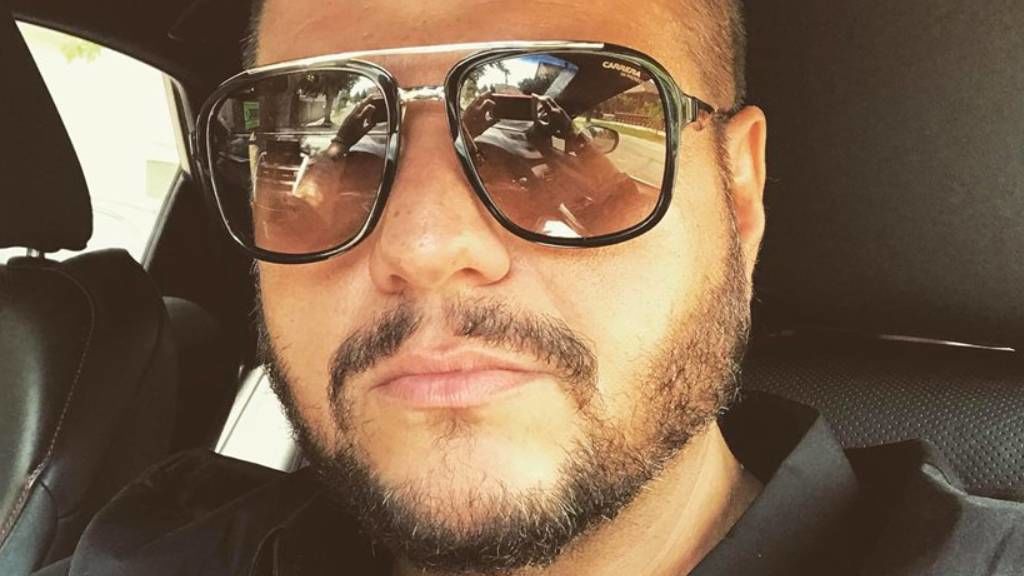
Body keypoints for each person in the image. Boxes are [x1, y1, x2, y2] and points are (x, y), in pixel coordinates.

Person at [33, 0, 1024, 575]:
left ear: (737, 194)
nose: (424, 244)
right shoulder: (161, 547)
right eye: (317, 142)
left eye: (566, 130)